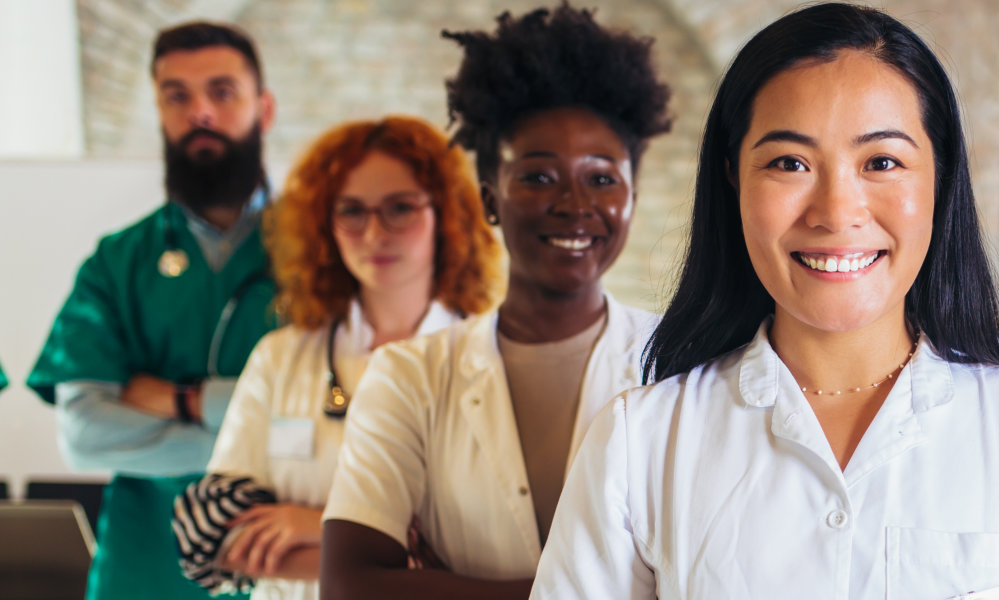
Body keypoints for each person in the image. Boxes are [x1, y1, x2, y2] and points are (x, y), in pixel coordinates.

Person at [530, 5, 999, 599]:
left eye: (881, 161)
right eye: (789, 162)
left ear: (940, 183)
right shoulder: (642, 442)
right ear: (733, 181)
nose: (836, 208)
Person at [317, 5, 671, 599]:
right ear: (488, 200)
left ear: (632, 198)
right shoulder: (410, 376)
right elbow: (349, 586)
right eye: (537, 177)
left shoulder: (683, 362)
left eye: (602, 178)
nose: (574, 202)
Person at [170, 116, 502, 599]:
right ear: (324, 224)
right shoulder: (280, 359)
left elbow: (492, 551)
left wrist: (317, 523)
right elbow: (214, 538)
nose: (374, 234)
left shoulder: (492, 360)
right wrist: (397, 554)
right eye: (352, 211)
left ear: (446, 215)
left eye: (400, 208)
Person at [26, 21, 279, 600]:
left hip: (281, 563)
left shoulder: (326, 255)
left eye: (222, 91)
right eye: (177, 95)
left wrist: (181, 400)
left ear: (263, 109)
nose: (201, 113)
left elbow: (343, 405)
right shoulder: (116, 262)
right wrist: (274, 437)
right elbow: (84, 434)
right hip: (144, 570)